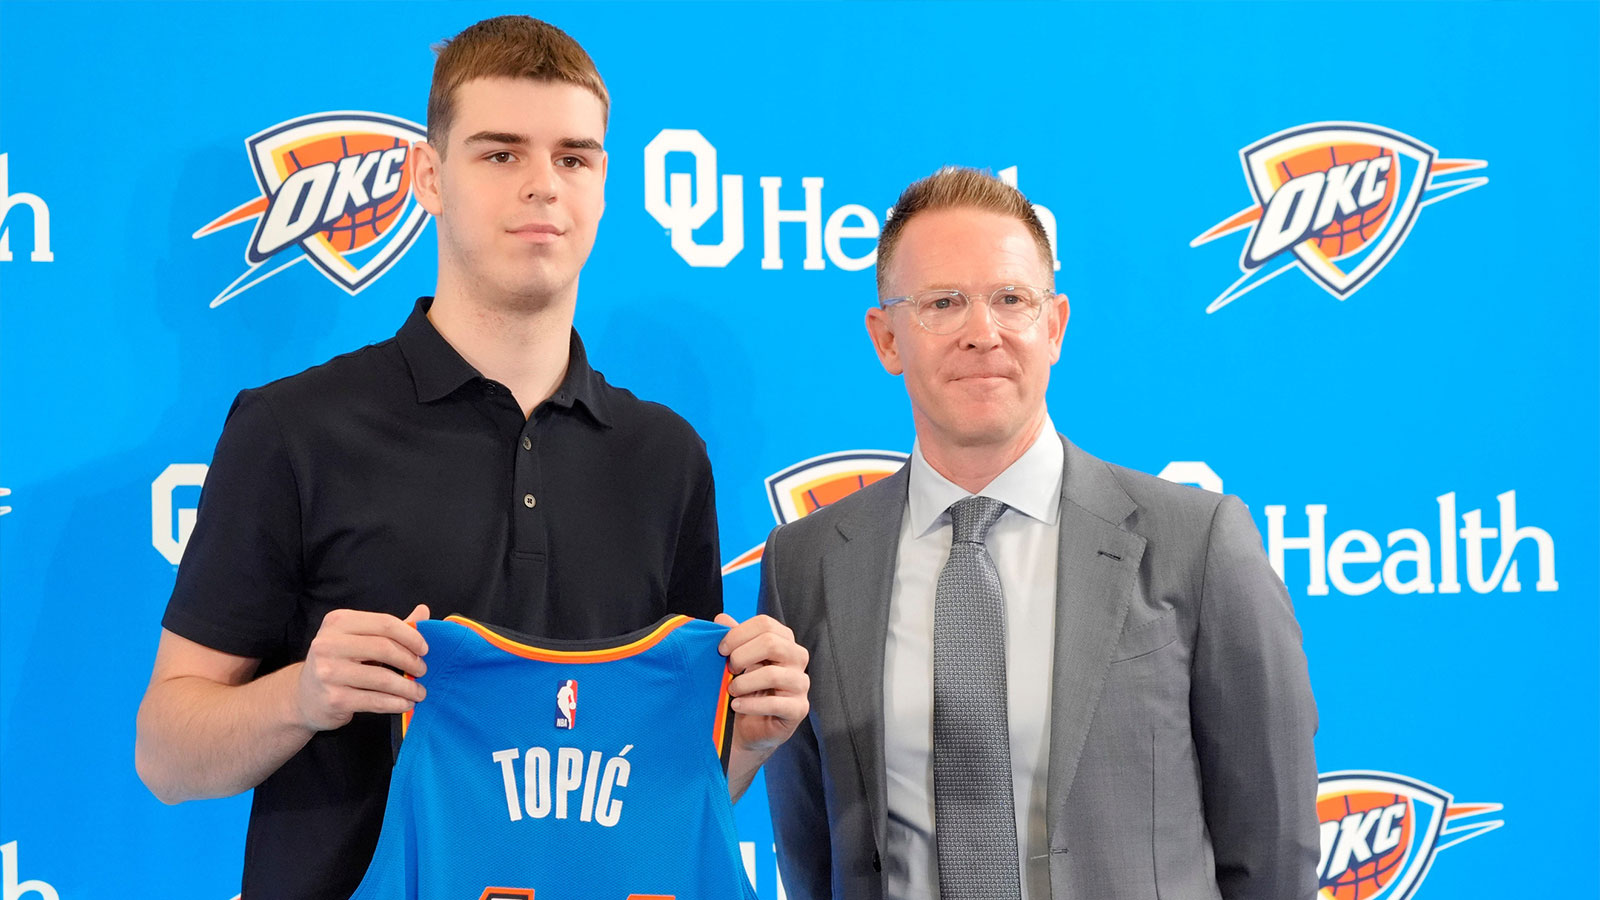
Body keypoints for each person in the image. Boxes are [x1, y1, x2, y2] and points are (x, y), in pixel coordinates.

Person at [134, 16, 808, 900]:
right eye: (500, 155)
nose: (543, 188)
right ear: (428, 177)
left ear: (604, 183)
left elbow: (654, 795)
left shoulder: (666, 458)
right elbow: (167, 755)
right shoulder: (292, 429)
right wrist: (302, 695)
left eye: (575, 157)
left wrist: (747, 739)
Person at [758, 167, 1317, 900]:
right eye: (942, 303)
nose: (981, 333)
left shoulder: (1200, 543)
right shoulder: (807, 563)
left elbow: (1272, 856)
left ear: (1054, 326)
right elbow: (811, 858)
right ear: (887, 338)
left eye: (1010, 300)